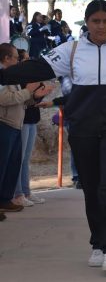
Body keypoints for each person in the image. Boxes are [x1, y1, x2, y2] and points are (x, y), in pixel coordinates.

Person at [0, 0, 106, 273]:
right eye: (96, 21)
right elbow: (37, 69)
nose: (101, 26)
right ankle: (97, 243)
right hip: (83, 127)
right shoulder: (72, 49)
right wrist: (3, 74)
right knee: (91, 187)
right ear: (86, 23)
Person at [0, 43, 51, 214]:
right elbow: (5, 99)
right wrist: (29, 92)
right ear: (6, 58)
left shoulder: (12, 76)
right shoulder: (3, 76)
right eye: (16, 58)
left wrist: (34, 96)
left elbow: (19, 99)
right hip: (5, 124)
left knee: (12, 164)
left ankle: (5, 199)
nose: (18, 62)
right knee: (3, 164)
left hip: (15, 124)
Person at [13, 49, 51, 207]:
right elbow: (21, 99)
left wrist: (39, 94)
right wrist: (33, 94)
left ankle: (26, 191)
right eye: (25, 59)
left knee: (25, 159)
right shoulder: (16, 79)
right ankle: (17, 193)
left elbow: (33, 100)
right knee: (19, 159)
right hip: (21, 120)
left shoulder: (32, 77)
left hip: (32, 119)